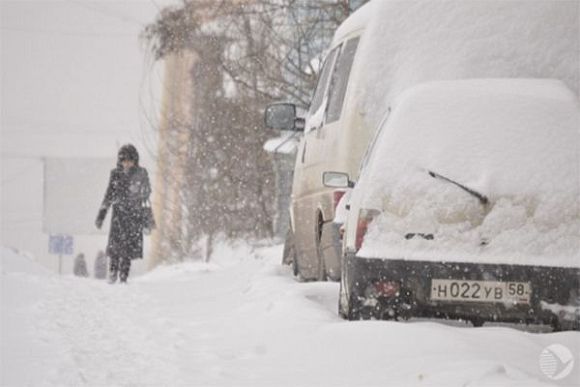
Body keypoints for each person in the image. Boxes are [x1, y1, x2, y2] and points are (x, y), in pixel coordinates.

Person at [95, 144, 151, 284]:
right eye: (124, 160)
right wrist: (101, 216)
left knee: (128, 249)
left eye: (129, 160)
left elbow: (146, 198)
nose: (126, 163)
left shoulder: (141, 173)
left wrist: (147, 221)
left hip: (134, 216)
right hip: (118, 216)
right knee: (115, 247)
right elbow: (108, 196)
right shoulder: (115, 174)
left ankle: (123, 276)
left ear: (135, 160)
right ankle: (113, 272)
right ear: (120, 161)